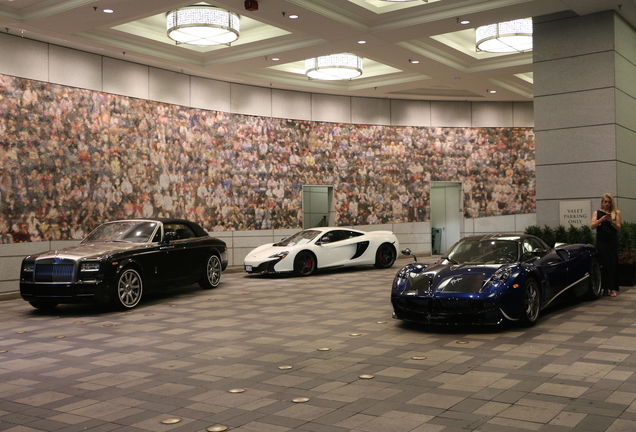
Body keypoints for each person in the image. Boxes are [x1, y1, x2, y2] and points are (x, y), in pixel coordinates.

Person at [591, 193, 622, 297]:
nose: (607, 204)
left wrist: (611, 221)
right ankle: (604, 288)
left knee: (612, 263)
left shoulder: (616, 213)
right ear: (602, 202)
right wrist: (601, 220)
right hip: (602, 241)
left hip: (612, 241)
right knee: (603, 264)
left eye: (609, 202)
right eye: (605, 202)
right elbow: (592, 226)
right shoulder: (597, 213)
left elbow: (618, 227)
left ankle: (613, 289)